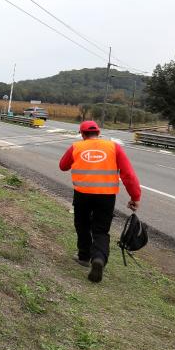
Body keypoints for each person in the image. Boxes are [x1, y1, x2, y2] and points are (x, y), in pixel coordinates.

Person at [59, 120, 140, 283]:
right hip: (106, 197)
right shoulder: (114, 147)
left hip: (82, 195)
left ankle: (84, 256)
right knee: (101, 230)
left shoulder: (77, 147)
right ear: (99, 132)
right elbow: (128, 175)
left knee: (82, 225)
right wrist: (135, 197)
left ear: (82, 134)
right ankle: (99, 258)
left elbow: (63, 166)